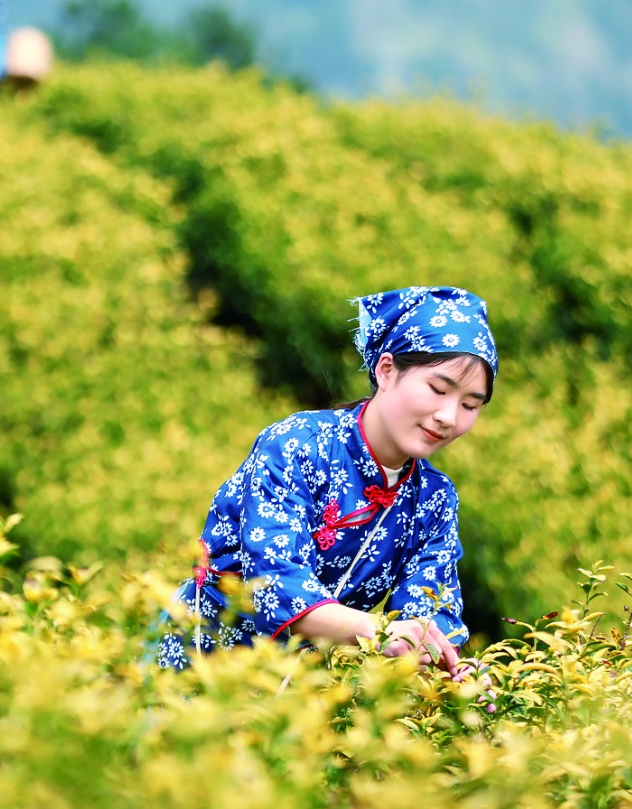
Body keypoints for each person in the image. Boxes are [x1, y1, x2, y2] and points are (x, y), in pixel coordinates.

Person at [154, 285, 497, 673]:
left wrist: (448, 665)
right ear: (386, 371)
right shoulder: (298, 444)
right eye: (438, 389)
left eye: (470, 405)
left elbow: (431, 611)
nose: (448, 417)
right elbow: (276, 585)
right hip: (197, 664)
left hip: (296, 695)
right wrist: (384, 634)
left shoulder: (433, 498)